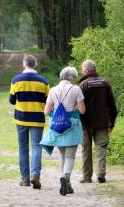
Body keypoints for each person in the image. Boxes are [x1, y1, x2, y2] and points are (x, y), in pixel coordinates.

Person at [40, 66, 85, 196]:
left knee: (63, 156)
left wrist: (57, 113)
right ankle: (65, 177)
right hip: (72, 126)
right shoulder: (76, 89)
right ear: (71, 77)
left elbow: (46, 112)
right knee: (70, 156)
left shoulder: (53, 90)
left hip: (57, 128)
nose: (75, 80)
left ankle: (67, 183)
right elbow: (82, 110)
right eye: (75, 78)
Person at [9, 54, 50, 189]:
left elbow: (12, 100)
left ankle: (25, 178)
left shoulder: (16, 80)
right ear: (35, 65)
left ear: (24, 64)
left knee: (23, 147)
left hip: (21, 118)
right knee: (37, 146)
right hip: (38, 118)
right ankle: (35, 174)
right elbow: (47, 100)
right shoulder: (43, 81)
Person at [78, 59, 118, 184]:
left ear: (86, 70)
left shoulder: (83, 85)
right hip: (102, 122)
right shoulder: (105, 83)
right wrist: (112, 122)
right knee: (101, 148)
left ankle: (86, 177)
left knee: (86, 149)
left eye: (82, 69)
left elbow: (79, 107)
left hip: (86, 123)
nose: (81, 71)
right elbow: (113, 105)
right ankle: (101, 174)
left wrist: (79, 122)